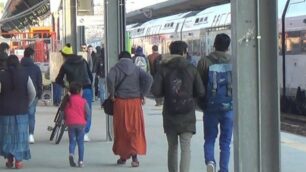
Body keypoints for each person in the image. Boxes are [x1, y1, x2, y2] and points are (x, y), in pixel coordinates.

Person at [151, 41, 205, 172]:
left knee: (172, 147)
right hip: (187, 113)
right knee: (186, 147)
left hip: (170, 112)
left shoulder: (163, 68)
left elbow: (156, 91)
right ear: (184, 52)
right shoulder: (191, 68)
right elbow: (201, 91)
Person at [107, 51, 152, 167]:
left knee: (121, 130)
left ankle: (123, 157)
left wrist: (112, 94)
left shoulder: (115, 68)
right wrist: (142, 94)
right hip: (135, 103)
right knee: (134, 129)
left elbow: (110, 79)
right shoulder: (136, 69)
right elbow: (149, 79)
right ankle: (135, 158)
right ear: (130, 58)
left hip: (120, 103)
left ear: (119, 58)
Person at [197, 33, 233, 172]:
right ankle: (224, 169)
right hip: (229, 107)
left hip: (211, 107)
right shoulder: (233, 60)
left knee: (210, 139)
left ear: (214, 44)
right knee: (225, 142)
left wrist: (202, 104)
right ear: (228, 47)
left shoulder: (204, 61)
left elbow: (199, 86)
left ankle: (210, 161)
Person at [0, 55, 36, 169]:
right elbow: (33, 93)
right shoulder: (25, 75)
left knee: (7, 136)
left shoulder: (1, 75)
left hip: (5, 112)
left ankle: (10, 160)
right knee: (20, 136)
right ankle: (19, 161)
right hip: (21, 112)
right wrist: (27, 104)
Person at [55, 43, 93, 142]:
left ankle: (74, 128)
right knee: (87, 110)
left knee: (72, 109)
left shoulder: (65, 65)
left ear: (64, 56)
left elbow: (58, 79)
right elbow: (90, 75)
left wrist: (66, 85)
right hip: (86, 88)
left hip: (74, 91)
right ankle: (84, 133)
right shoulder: (83, 60)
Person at [64, 82, 90, 168]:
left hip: (71, 124)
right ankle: (81, 161)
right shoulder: (83, 101)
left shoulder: (68, 100)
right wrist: (86, 119)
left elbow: (65, 112)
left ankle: (71, 154)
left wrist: (66, 120)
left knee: (72, 141)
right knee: (80, 143)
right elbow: (88, 112)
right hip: (81, 124)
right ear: (79, 91)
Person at [21, 47, 43, 144]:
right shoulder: (36, 68)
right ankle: (30, 135)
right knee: (31, 115)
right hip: (33, 94)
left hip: (20, 94)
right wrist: (39, 94)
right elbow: (39, 82)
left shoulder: (19, 66)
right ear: (31, 56)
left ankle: (22, 135)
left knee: (21, 115)